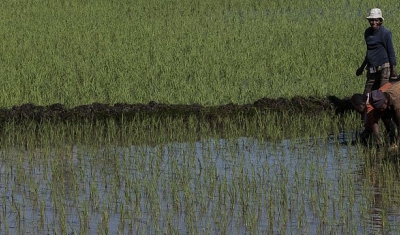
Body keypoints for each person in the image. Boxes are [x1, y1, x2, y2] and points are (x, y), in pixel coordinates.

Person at [356, 8, 397, 95]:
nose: (374, 23)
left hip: (384, 66)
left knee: (383, 93)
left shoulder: (385, 33)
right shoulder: (367, 32)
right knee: (367, 94)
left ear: (381, 21)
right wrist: (362, 67)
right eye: (371, 20)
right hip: (372, 66)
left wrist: (393, 70)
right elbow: (369, 51)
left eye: (376, 20)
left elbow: (391, 51)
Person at [351, 82, 396, 147]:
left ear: (361, 104)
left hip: (394, 94)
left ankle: (393, 140)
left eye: (357, 108)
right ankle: (393, 139)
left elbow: (369, 128)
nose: (357, 111)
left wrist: (357, 140)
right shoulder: (371, 96)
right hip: (393, 87)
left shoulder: (370, 106)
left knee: (386, 117)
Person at [368, 82, 400, 149]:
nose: (380, 110)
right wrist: (378, 139)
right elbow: (374, 121)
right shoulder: (379, 100)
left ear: (385, 101)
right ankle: (392, 137)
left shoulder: (397, 104)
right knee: (384, 115)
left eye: (380, 107)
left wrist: (396, 145)